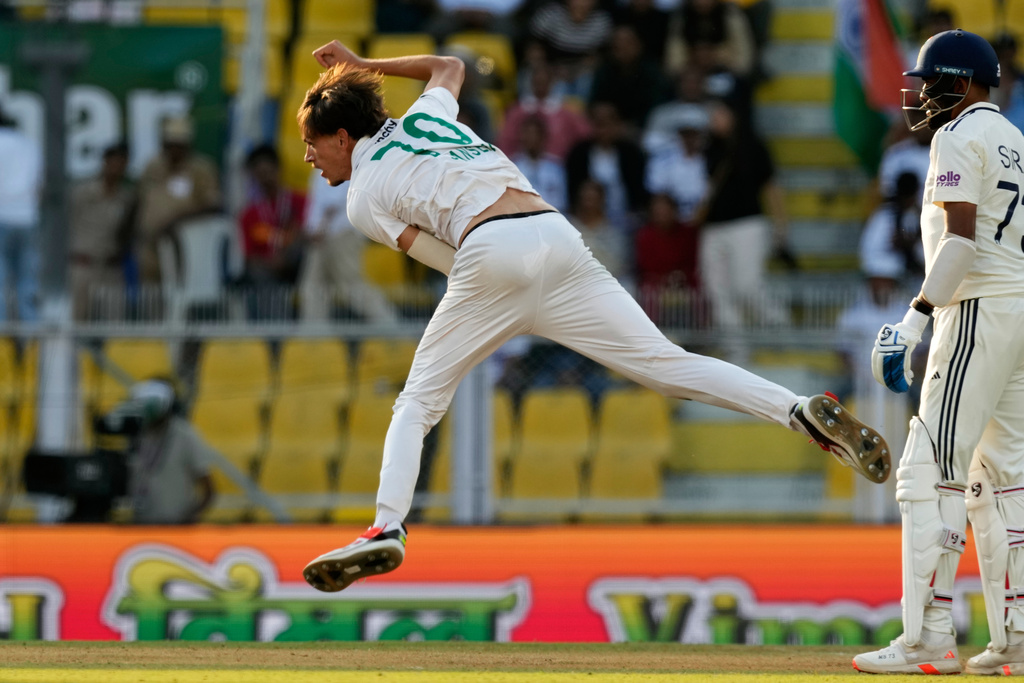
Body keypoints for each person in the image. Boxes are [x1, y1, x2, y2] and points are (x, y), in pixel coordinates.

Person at [295, 39, 891, 593]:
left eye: (313, 143)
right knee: (667, 364)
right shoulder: (426, 118)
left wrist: (503, 310)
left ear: (343, 137)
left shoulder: (360, 196)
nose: (310, 157)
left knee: (417, 403)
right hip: (555, 235)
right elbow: (448, 68)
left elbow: (441, 258)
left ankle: (386, 528)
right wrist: (365, 63)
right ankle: (797, 411)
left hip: (488, 252)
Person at [853, 30, 1024, 675]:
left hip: (975, 309)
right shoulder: (1017, 139)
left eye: (929, 81)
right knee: (1005, 479)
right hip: (1019, 310)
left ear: (957, 80)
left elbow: (960, 244)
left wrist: (915, 319)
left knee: (928, 472)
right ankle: (1014, 635)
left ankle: (927, 638)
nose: (921, 94)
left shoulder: (958, 136)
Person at [298, 169, 399, 324]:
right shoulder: (317, 164)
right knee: (312, 288)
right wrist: (310, 229)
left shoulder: (343, 157)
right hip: (319, 238)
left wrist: (320, 227)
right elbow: (316, 202)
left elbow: (337, 200)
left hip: (341, 233)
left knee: (351, 286)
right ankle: (314, 339)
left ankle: (390, 327)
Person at [135, 115, 222, 286]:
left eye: (178, 145)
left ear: (187, 145)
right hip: (150, 247)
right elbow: (141, 200)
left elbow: (213, 205)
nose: (173, 149)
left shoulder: (201, 169)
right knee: (151, 298)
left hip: (184, 247)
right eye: (169, 144)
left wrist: (175, 220)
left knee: (181, 297)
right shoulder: (152, 167)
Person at [119, 379, 216, 525]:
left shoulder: (185, 435)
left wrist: (190, 517)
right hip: (142, 526)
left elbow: (208, 489)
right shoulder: (138, 436)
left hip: (176, 528)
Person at [68, 143, 135, 321]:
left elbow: (128, 232)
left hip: (111, 268)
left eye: (122, 163)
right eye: (114, 162)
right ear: (105, 162)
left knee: (114, 327)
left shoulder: (126, 198)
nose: (117, 167)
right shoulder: (83, 193)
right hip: (83, 266)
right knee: (75, 324)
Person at [238, 144, 305, 318]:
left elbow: (306, 233)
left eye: (269, 172)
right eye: (260, 174)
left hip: (297, 264)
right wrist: (271, 263)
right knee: (257, 274)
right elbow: (249, 257)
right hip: (268, 270)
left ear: (278, 170)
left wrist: (285, 256)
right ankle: (276, 335)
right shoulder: (248, 215)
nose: (266, 179)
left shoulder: (300, 201)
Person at [0, 104, 43, 322]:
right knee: (29, 283)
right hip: (28, 219)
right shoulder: (28, 145)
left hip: (2, 217)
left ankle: (3, 345)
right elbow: (40, 187)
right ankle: (33, 342)